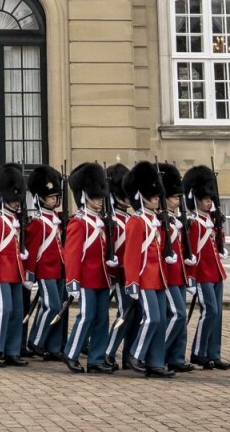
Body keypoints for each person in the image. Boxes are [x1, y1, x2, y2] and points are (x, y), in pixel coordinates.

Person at [122, 161, 175, 378]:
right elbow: (132, 254)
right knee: (151, 318)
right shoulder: (136, 222)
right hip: (143, 277)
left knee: (161, 320)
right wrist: (132, 281)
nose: (156, 198)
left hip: (158, 276)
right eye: (152, 195)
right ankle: (135, 353)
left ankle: (155, 362)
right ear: (141, 196)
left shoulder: (155, 219)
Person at [62, 162, 114, 374]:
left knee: (102, 319)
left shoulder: (100, 220)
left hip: (101, 277)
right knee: (86, 316)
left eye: (101, 197)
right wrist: (72, 280)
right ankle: (71, 352)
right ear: (85, 196)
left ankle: (96, 358)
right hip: (86, 278)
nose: (100, 201)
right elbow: (72, 255)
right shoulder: (78, 222)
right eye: (96, 197)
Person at [184, 165, 230, 370]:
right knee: (209, 311)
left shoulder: (210, 220)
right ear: (196, 199)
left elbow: (216, 243)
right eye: (205, 199)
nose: (208, 201)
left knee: (218, 312)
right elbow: (192, 252)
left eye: (209, 198)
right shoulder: (193, 222)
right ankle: (198, 352)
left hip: (215, 271)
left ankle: (214, 353)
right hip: (202, 273)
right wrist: (191, 279)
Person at [0, 163, 30, 367]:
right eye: (12, 199)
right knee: (6, 310)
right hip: (1, 273)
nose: (16, 203)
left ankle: (12, 350)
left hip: (16, 273)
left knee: (18, 312)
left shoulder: (14, 219)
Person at [25, 165, 65, 361]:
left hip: (57, 269)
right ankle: (36, 340)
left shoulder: (56, 219)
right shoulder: (38, 222)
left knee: (57, 308)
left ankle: (53, 346)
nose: (54, 200)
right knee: (52, 306)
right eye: (51, 197)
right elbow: (33, 252)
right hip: (45, 271)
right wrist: (29, 273)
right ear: (41, 198)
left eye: (56, 197)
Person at [158, 162, 194, 373]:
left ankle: (176, 356)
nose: (177, 200)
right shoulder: (160, 219)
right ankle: (158, 353)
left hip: (179, 274)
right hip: (168, 275)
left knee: (182, 317)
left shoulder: (176, 219)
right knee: (177, 314)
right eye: (174, 197)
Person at [104, 163, 134, 370]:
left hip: (129, 272)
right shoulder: (110, 219)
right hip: (117, 274)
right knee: (124, 313)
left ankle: (129, 354)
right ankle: (108, 351)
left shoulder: (128, 218)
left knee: (133, 313)